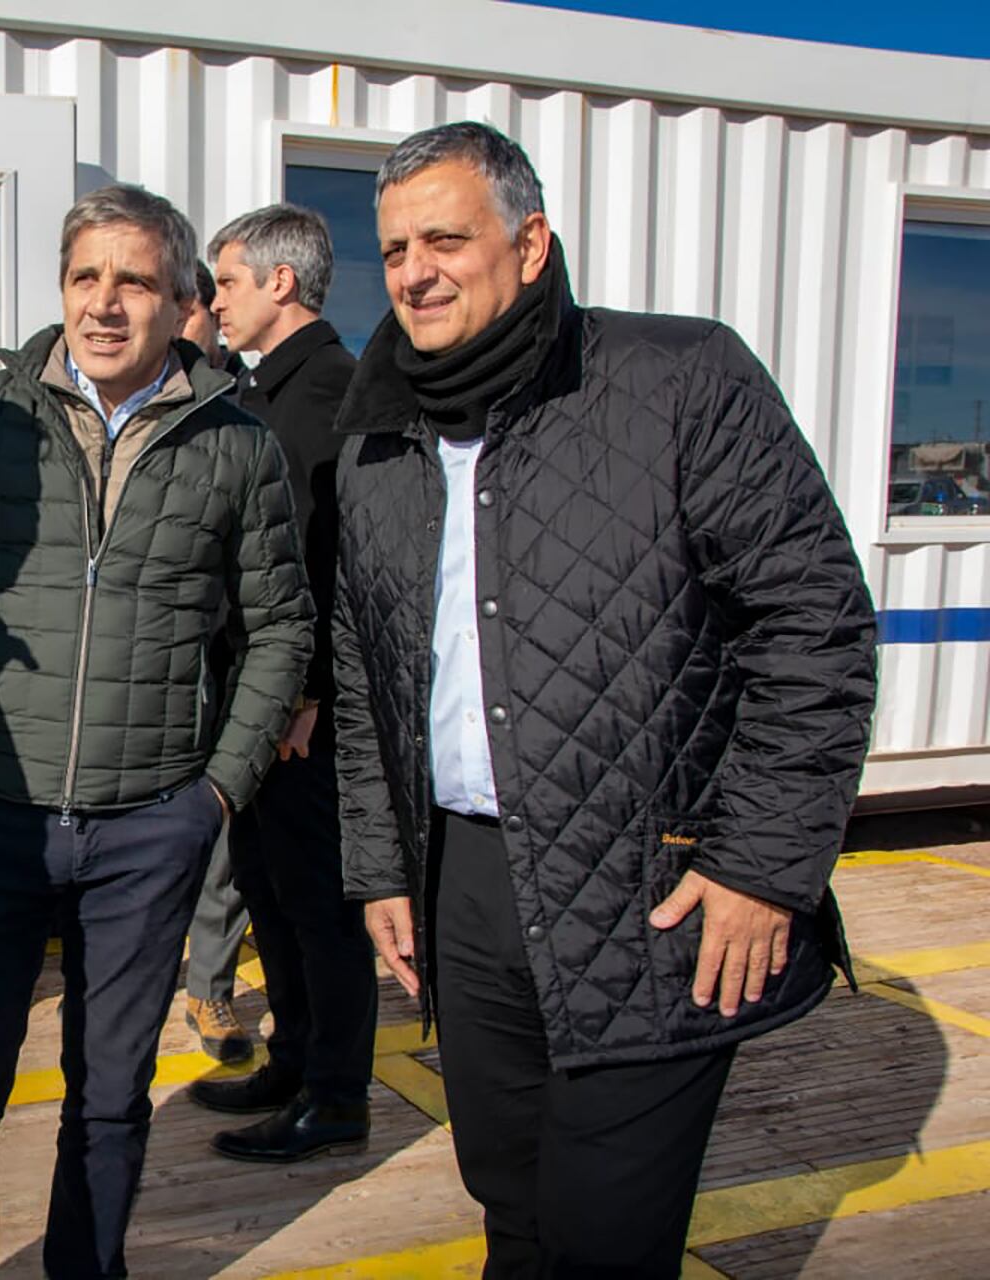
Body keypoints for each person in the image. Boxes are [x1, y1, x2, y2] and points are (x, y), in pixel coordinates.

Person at [331, 121, 877, 1276]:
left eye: (445, 237)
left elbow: (814, 625)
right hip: (464, 885)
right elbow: (363, 661)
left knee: (604, 1237)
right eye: (392, 249)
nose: (416, 270)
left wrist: (763, 864)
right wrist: (382, 861)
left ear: (531, 245)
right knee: (513, 1203)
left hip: (654, 883)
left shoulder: (678, 379)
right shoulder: (380, 435)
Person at [0, 184, 314, 1279]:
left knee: (106, 1103)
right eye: (85, 276)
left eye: (135, 280)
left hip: (147, 831)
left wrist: (218, 791)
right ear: (60, 287)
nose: (106, 303)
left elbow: (283, 630)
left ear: (183, 300)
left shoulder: (234, 446)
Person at [186, 203, 379, 1163]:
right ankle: (296, 1060)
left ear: (280, 282)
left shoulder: (337, 397)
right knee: (268, 891)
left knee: (321, 909)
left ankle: (339, 1097)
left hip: (308, 718)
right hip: (254, 706)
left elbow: (345, 567)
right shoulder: (262, 396)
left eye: (223, 281)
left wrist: (310, 696)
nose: (211, 300)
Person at [177, 256, 254, 1064]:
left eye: (194, 305)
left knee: (223, 837)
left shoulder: (245, 406)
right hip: (162, 660)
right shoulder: (149, 402)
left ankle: (210, 992)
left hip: (231, 659)